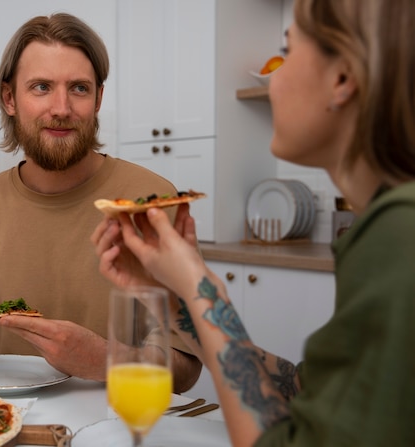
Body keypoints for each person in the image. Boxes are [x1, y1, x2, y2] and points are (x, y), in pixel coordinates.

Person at [92, 0, 415, 445]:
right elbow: (298, 391)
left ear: (342, 78)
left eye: (286, 54)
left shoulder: (400, 235)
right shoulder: (382, 226)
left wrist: (204, 290)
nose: (272, 79)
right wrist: (178, 295)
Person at [0, 12, 201, 393]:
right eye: (42, 87)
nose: (61, 107)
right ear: (10, 98)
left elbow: (186, 367)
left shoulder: (152, 204)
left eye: (79, 88)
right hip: (1, 423)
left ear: (98, 99)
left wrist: (103, 360)